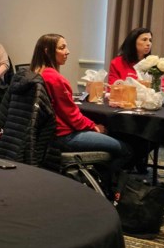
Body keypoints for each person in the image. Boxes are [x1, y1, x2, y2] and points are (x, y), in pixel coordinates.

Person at [30, 33, 131, 176]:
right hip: (62, 136)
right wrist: (94, 127)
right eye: (62, 48)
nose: (67, 51)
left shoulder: (35, 73)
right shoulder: (54, 78)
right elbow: (72, 117)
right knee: (125, 150)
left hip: (45, 135)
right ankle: (105, 189)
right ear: (47, 51)